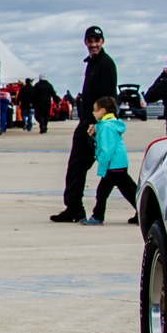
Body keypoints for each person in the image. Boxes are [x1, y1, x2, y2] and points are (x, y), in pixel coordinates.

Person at [51, 26, 117, 221]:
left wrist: (99, 125)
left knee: (101, 169)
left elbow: (108, 98)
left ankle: (74, 208)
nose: (94, 44)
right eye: (90, 41)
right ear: (85, 43)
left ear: (103, 41)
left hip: (93, 126)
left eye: (97, 40)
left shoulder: (105, 64)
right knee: (104, 169)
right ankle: (74, 206)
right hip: (89, 123)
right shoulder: (93, 63)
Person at [80, 96, 138, 224]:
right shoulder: (111, 124)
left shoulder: (106, 126)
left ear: (103, 111)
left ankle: (98, 216)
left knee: (103, 192)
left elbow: (107, 148)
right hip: (119, 162)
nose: (93, 113)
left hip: (113, 164)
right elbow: (107, 142)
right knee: (129, 190)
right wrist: (95, 135)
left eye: (95, 110)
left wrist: (102, 164)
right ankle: (143, 211)